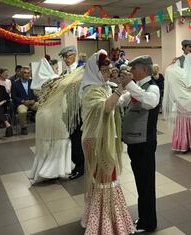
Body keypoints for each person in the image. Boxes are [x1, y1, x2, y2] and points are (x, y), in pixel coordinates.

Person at [79, 49, 134, 235]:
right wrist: (121, 88)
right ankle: (104, 223)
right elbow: (106, 107)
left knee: (107, 178)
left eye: (109, 70)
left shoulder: (102, 86)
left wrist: (125, 94)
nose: (107, 74)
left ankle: (105, 218)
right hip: (95, 139)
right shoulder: (90, 90)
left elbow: (114, 104)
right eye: (104, 70)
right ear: (94, 70)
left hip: (103, 137)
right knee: (104, 179)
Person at [120, 55, 160, 233]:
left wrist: (129, 84)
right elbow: (122, 101)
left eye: (133, 68)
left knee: (146, 184)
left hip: (145, 143)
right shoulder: (137, 87)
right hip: (135, 143)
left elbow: (150, 101)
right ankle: (144, 217)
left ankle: (148, 222)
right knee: (140, 182)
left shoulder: (152, 87)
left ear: (144, 69)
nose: (131, 71)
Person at [28, 56, 84, 183]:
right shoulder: (52, 80)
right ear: (50, 68)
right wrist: (83, 69)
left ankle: (41, 170)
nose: (57, 70)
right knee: (58, 141)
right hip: (54, 115)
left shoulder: (37, 83)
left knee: (45, 143)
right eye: (56, 68)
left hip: (42, 115)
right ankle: (52, 171)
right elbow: (70, 82)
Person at [59, 45, 85, 180]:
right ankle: (79, 163)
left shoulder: (83, 70)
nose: (65, 59)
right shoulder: (64, 73)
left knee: (77, 139)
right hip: (68, 110)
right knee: (71, 138)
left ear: (74, 54)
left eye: (67, 56)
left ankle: (81, 166)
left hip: (81, 110)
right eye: (63, 57)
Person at [12, 66, 38, 135]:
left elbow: (37, 93)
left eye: (28, 73)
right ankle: (24, 127)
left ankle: (40, 125)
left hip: (32, 102)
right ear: (21, 73)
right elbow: (14, 96)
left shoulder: (32, 82)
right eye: (25, 73)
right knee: (22, 111)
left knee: (43, 107)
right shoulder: (15, 83)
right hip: (22, 103)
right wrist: (23, 101)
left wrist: (34, 100)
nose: (27, 74)